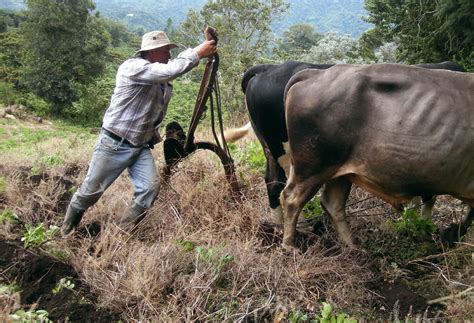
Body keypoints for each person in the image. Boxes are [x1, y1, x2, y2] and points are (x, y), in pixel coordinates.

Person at [61, 30, 217, 236]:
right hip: (115, 143)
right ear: (151, 52)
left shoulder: (161, 80)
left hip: (139, 146)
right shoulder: (132, 68)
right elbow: (171, 70)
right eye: (165, 51)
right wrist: (198, 51)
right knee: (90, 192)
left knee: (149, 189)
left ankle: (121, 233)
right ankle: (66, 232)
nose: (169, 55)